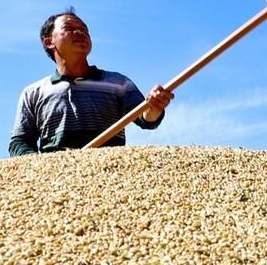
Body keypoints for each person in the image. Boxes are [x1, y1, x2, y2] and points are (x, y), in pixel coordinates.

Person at [10, 8, 173, 155]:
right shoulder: (34, 92)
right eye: (69, 28)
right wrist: (37, 169)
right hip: (55, 179)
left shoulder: (118, 83)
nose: (80, 32)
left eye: (84, 30)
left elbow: (145, 119)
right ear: (49, 42)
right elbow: (20, 142)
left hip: (109, 172)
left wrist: (154, 106)